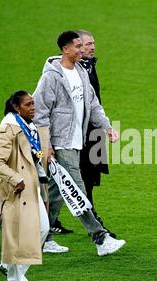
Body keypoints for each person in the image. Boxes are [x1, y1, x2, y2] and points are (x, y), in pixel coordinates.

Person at [33, 30, 126, 256]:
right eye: (78, 46)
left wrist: (107, 127)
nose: (82, 50)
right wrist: (46, 145)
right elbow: (40, 113)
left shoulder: (81, 72)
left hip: (77, 140)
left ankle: (42, 238)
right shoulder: (52, 77)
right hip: (60, 142)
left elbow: (93, 105)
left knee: (57, 192)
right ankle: (100, 238)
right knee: (77, 189)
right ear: (66, 49)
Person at [0, 90, 50, 281]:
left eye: (33, 104)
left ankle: (9, 267)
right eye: (28, 105)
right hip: (17, 190)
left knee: (42, 228)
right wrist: (16, 179)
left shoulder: (29, 125)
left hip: (32, 186)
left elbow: (33, 152)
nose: (33, 108)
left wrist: (45, 158)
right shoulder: (9, 128)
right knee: (20, 236)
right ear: (16, 107)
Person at [75, 29, 115, 238]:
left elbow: (94, 102)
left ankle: (52, 220)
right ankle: (93, 221)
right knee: (79, 176)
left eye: (92, 43)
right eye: (87, 44)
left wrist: (104, 127)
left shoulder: (89, 66)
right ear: (76, 47)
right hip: (78, 132)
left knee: (90, 175)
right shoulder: (70, 71)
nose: (92, 47)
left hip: (94, 130)